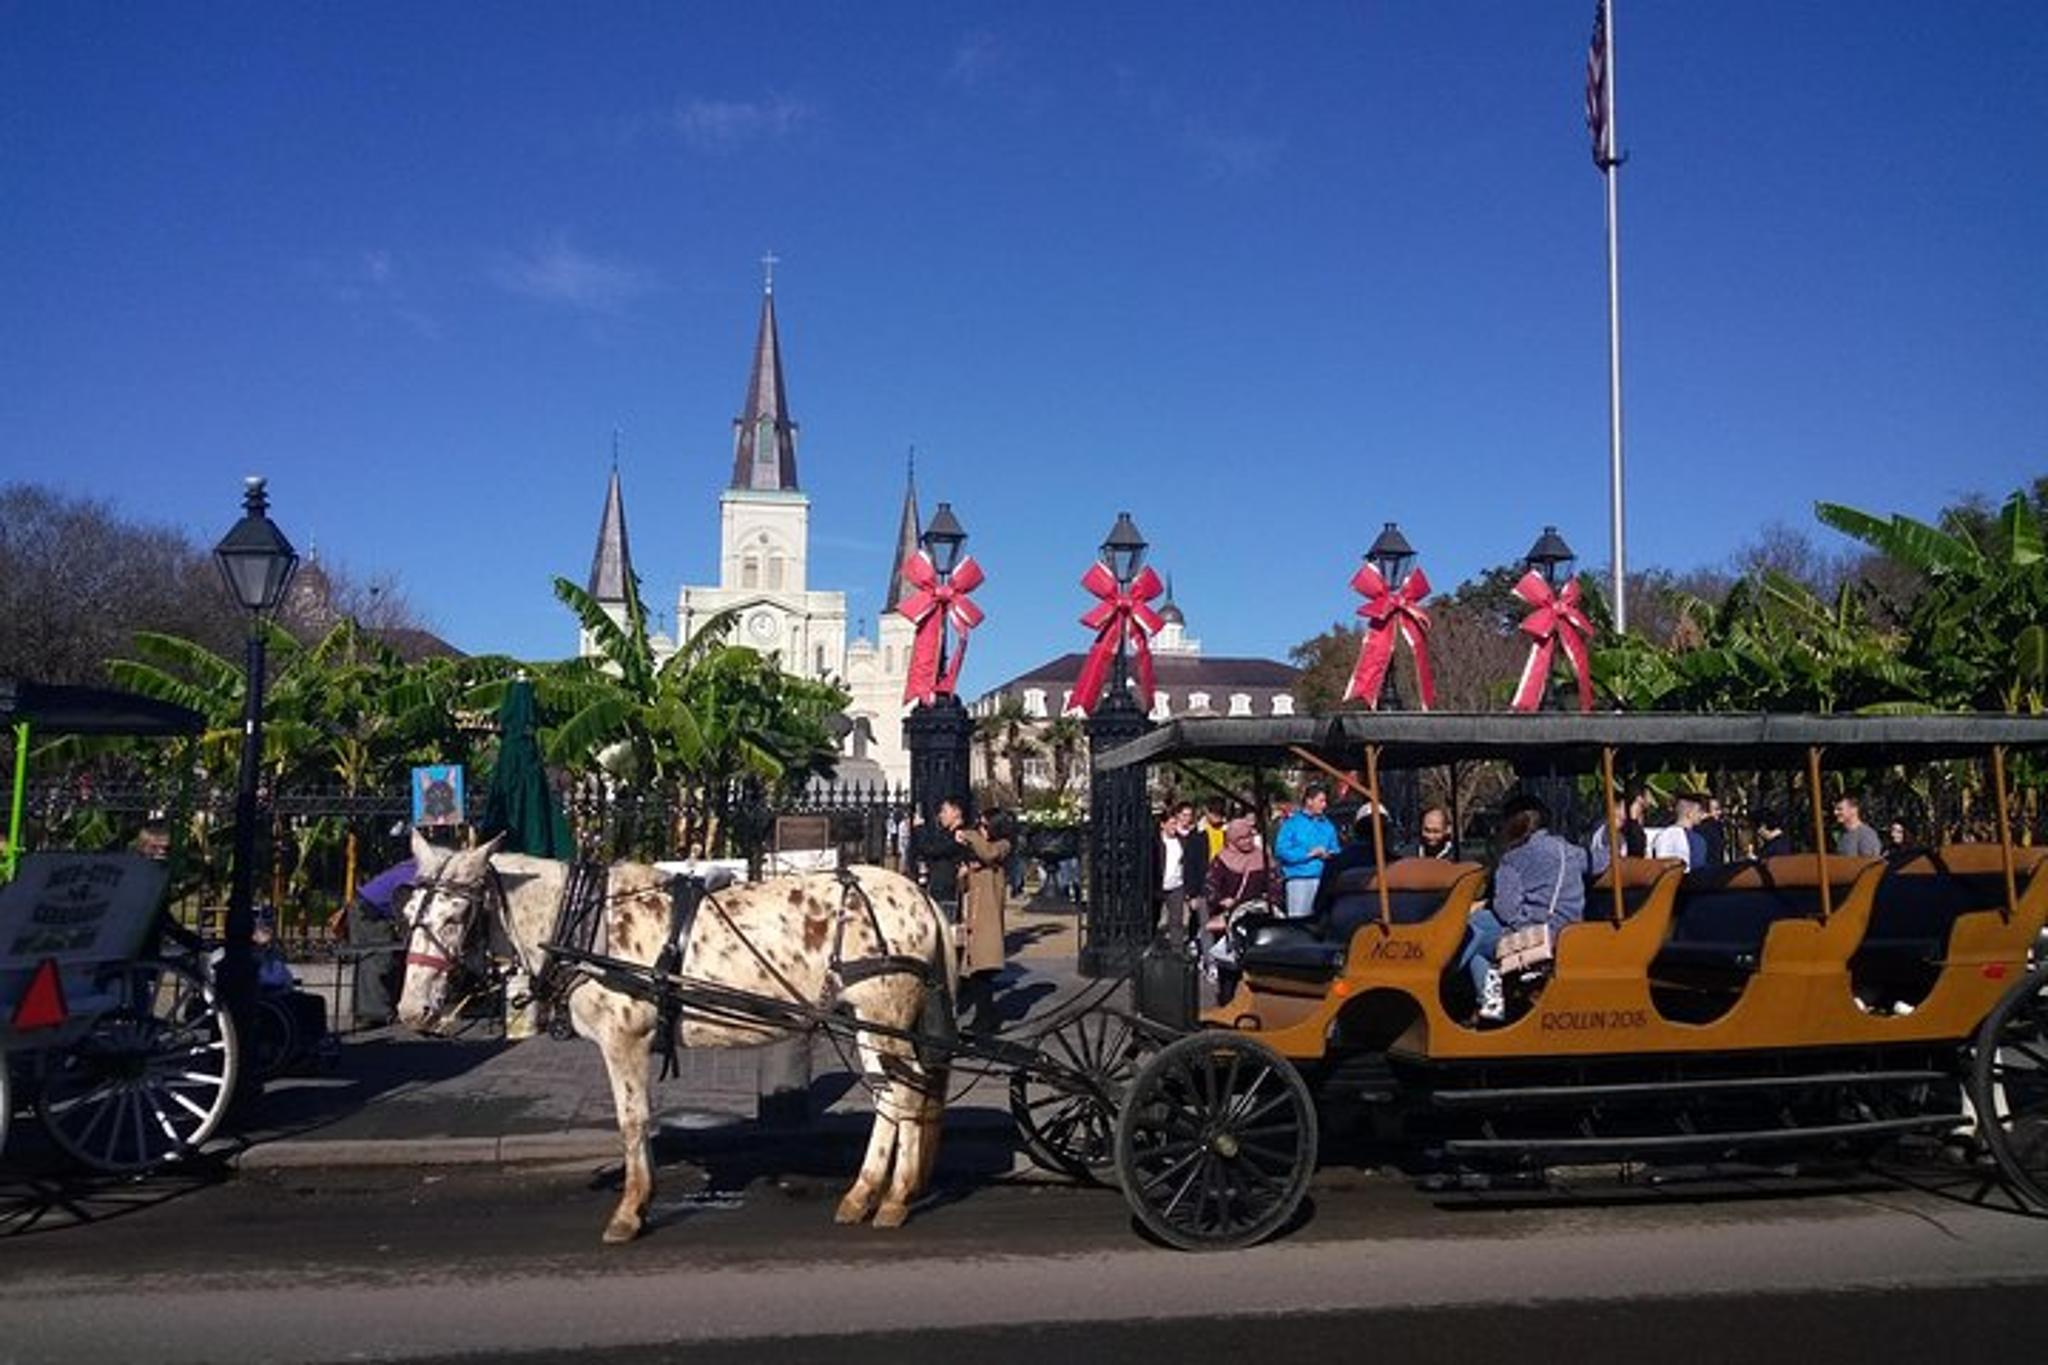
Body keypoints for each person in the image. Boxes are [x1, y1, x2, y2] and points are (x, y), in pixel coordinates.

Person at [1453, 794, 1587, 1024]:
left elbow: (1506, 910)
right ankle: (1489, 1005)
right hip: (1569, 930)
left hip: (1536, 934)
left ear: (1511, 824)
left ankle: (1455, 987)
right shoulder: (1570, 851)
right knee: (1479, 933)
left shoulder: (1513, 858)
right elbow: (1601, 861)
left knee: (1471, 932)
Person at [330, 853, 418, 1028]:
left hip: (372, 909)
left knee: (385, 957)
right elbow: (404, 907)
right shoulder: (413, 874)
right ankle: (373, 1013)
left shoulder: (413, 867)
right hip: (369, 911)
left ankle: (380, 1009)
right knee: (377, 958)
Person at [1201, 817, 1270, 1003]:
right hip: (1229, 921)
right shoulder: (1221, 860)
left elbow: (1275, 882)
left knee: (1253, 967)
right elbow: (1210, 887)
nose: (1247, 841)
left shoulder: (1262, 857)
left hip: (1255, 919)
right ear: (1232, 839)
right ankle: (1227, 1002)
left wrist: (1268, 900)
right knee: (1228, 967)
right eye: (1242, 838)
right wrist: (1222, 900)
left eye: (1249, 836)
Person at [956, 808, 1013, 980]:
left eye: (985, 826)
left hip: (988, 916)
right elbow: (964, 886)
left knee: (985, 963)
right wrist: (964, 874)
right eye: (979, 825)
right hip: (973, 913)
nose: (981, 830)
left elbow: (990, 853)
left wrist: (970, 835)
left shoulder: (1003, 845)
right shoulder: (977, 852)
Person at [1272, 783, 1338, 918]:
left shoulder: (1327, 825)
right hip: (1299, 881)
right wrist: (1309, 854)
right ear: (1309, 801)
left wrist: (1328, 854)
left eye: (1325, 801)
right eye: (1321, 801)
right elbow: (1281, 851)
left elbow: (1336, 849)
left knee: (1323, 920)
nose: (1324, 805)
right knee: (1298, 921)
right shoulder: (1291, 824)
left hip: (1323, 880)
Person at [912, 798, 970, 921]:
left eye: (944, 811)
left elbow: (931, 849)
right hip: (940, 889)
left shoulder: (959, 835)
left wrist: (919, 828)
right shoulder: (947, 833)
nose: (941, 815)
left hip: (947, 892)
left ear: (956, 812)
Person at [1587, 786, 1651, 874]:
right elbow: (1635, 856)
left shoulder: (1631, 832)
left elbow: (1638, 859)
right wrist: (1633, 820)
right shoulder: (1607, 831)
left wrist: (1634, 821)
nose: (1639, 814)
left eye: (1642, 811)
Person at [1648, 793, 1705, 869]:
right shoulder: (1695, 839)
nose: (1701, 815)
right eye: (1699, 811)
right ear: (1689, 814)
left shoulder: (1664, 834)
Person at [1834, 794, 1882, 859]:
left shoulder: (1866, 834)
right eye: (1835, 809)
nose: (1835, 812)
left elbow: (1868, 863)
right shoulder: (1843, 834)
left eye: (1840, 809)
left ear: (1854, 810)